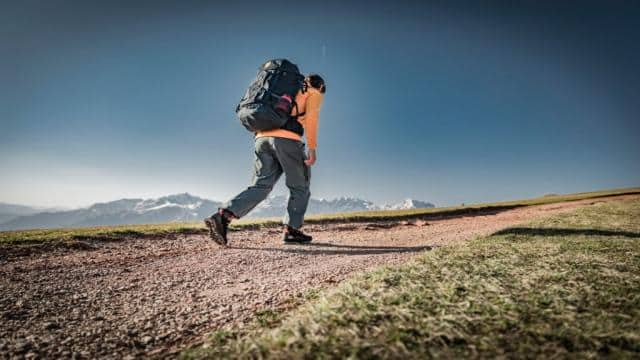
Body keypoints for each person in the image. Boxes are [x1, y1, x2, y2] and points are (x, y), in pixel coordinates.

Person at [205, 74, 326, 246]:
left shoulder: (281, 90)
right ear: (320, 86)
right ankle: (292, 230)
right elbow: (313, 119)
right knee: (300, 186)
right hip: (288, 140)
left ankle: (223, 216)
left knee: (261, 185)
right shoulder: (313, 93)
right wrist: (312, 148)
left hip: (261, 139)